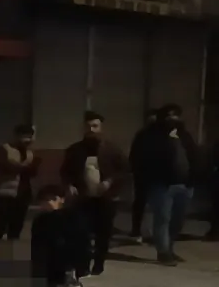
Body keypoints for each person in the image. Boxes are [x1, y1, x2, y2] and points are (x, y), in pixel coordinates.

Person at [60, 111, 128, 276]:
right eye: (88, 126)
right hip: (83, 199)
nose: (91, 129)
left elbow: (125, 171)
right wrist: (69, 185)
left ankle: (99, 263)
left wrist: (109, 181)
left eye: (95, 126)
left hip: (106, 198)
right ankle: (82, 266)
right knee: (81, 233)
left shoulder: (112, 149)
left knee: (103, 234)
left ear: (101, 127)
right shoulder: (74, 150)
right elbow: (65, 171)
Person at [137, 103, 200, 265]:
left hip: (184, 185)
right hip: (161, 186)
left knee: (178, 220)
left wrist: (193, 179)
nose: (172, 119)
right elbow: (142, 160)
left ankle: (170, 247)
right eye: (168, 116)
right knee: (163, 218)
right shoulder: (151, 136)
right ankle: (163, 251)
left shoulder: (184, 136)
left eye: (175, 115)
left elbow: (194, 157)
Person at [30, 184, 85, 287]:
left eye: (53, 199)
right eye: (45, 200)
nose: (49, 202)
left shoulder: (71, 217)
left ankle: (68, 277)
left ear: (62, 200)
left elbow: (78, 241)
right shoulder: (40, 220)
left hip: (66, 257)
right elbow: (36, 244)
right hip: (47, 258)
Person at [0, 124, 38, 241]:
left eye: (29, 137)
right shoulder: (4, 149)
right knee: (1, 224)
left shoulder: (30, 153)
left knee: (17, 225)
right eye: (24, 137)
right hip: (6, 192)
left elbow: (33, 171)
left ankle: (12, 247)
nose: (27, 140)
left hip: (23, 193)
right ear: (17, 136)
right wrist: (24, 167)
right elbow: (4, 167)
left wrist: (22, 167)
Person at [128, 108, 158, 243]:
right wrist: (134, 169)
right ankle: (136, 230)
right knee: (140, 203)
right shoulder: (142, 135)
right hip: (143, 174)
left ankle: (149, 231)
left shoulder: (160, 135)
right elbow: (134, 154)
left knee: (154, 204)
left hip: (154, 175)